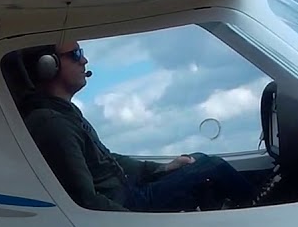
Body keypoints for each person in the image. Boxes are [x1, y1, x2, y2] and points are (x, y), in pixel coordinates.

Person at [15, 41, 260, 212]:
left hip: (130, 193)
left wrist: (164, 168)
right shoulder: (53, 123)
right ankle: (258, 209)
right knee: (212, 167)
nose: (84, 60)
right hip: (129, 206)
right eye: (76, 54)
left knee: (196, 160)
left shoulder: (64, 112)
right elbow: (85, 199)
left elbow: (107, 160)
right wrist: (135, 224)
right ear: (48, 65)